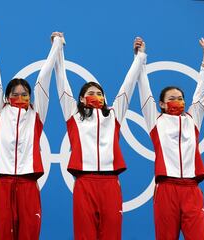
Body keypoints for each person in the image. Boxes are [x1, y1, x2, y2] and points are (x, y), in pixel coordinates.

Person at [54, 35, 147, 239]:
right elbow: (62, 84)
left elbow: (128, 86)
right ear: (81, 98)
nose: (96, 95)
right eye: (91, 92)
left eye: (100, 93)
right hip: (84, 183)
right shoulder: (74, 116)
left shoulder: (114, 115)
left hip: (111, 184)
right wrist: (58, 50)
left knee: (112, 235)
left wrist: (139, 57)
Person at [0, 30, 65, 239]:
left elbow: (43, 79)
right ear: (7, 97)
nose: (19, 97)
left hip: (28, 184)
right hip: (1, 183)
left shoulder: (37, 115)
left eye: (24, 94)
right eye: (15, 94)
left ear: (30, 96)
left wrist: (56, 45)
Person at [137, 38, 204, 240]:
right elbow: (144, 92)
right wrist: (140, 58)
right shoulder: (156, 121)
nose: (177, 101)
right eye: (172, 98)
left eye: (180, 98)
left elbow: (202, 91)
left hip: (191, 190)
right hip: (166, 190)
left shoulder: (193, 119)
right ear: (161, 104)